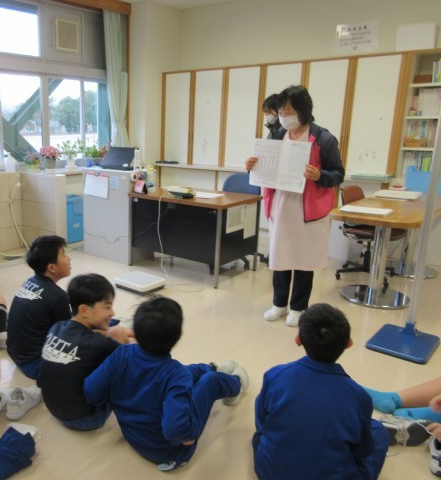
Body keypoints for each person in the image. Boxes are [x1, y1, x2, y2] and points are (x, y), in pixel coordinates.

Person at [84, 296, 248, 472]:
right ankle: (236, 384)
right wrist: (183, 435)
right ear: (178, 336)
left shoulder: (121, 353)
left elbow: (91, 391)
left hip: (132, 436)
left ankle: (210, 368)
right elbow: (175, 430)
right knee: (210, 381)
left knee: (186, 372)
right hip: (171, 452)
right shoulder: (175, 374)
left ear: (135, 332)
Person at [252, 303, 389, 480]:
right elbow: (362, 450)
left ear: (298, 339)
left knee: (264, 421)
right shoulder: (358, 396)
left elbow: (262, 422)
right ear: (349, 343)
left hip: (269, 473)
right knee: (378, 430)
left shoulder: (275, 375)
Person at [245, 85, 344, 327]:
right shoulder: (277, 135)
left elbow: (338, 173)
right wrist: (252, 166)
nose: (283, 117)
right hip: (281, 205)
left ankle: (299, 307)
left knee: (303, 259)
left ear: (303, 110)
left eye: (288, 112)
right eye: (280, 112)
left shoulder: (323, 139)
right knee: (280, 257)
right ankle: (279, 304)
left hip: (308, 209)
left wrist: (319, 175)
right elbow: (267, 167)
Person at [37, 274, 135, 431]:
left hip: (53, 409)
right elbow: (134, 355)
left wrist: (112, 332)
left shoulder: (57, 327)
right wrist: (126, 337)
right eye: (107, 307)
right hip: (87, 419)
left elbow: (93, 336)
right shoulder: (98, 344)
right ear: (84, 310)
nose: (112, 312)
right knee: (125, 360)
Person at [7, 235, 72, 379]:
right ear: (52, 267)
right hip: (36, 364)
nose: (69, 259)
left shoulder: (30, 282)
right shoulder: (59, 296)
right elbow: (68, 337)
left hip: (15, 354)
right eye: (64, 255)